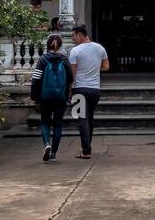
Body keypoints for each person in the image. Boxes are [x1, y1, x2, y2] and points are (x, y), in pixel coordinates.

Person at [67, 24, 109, 159]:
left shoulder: (75, 51)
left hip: (80, 88)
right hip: (95, 89)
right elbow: (106, 67)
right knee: (89, 118)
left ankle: (86, 150)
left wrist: (69, 89)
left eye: (73, 35)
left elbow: (72, 73)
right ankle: (87, 146)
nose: (73, 38)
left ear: (80, 34)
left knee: (82, 118)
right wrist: (95, 69)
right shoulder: (100, 48)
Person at [30, 34, 72, 162]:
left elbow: (36, 79)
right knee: (58, 124)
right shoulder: (64, 59)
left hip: (45, 96)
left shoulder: (43, 59)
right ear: (60, 45)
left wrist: (35, 95)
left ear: (48, 44)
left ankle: (47, 143)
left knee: (45, 122)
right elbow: (70, 78)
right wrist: (66, 93)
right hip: (60, 96)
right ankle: (53, 154)